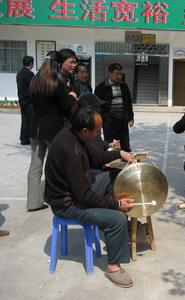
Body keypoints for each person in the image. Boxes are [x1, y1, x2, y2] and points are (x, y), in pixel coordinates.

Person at [45, 106, 135, 288]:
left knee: (111, 177)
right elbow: (84, 196)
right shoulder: (71, 152)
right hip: (66, 204)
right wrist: (116, 204)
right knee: (117, 218)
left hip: (76, 192)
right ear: (85, 130)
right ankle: (113, 267)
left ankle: (107, 225)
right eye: (97, 131)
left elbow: (96, 157)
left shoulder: (75, 134)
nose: (99, 133)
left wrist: (120, 153)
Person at [27, 51, 76, 212]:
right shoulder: (55, 82)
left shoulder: (35, 80)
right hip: (52, 129)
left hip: (36, 128)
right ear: (58, 64)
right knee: (55, 165)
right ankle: (51, 196)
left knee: (35, 166)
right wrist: (72, 96)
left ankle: (33, 202)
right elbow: (65, 105)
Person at [95, 63, 134, 152]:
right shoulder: (102, 87)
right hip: (109, 121)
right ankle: (111, 164)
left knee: (125, 144)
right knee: (111, 145)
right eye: (117, 74)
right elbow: (97, 106)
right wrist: (101, 120)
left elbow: (128, 102)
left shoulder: (124, 86)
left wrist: (131, 117)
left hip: (122, 120)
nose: (119, 76)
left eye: (121, 74)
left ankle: (125, 162)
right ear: (110, 73)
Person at [16, 55, 34, 145]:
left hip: (22, 100)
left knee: (24, 120)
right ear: (31, 63)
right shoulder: (30, 74)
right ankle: (30, 138)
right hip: (29, 101)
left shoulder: (19, 73)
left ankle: (23, 139)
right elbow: (32, 89)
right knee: (31, 120)